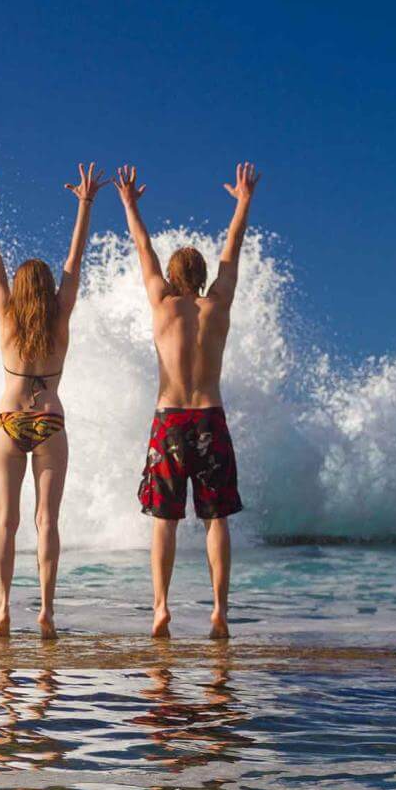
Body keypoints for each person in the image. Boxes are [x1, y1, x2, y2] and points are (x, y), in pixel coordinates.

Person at [0, 163, 108, 639]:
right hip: (51, 421)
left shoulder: (6, 316)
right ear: (47, 291)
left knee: (6, 522)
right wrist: (85, 204)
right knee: (48, 521)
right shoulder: (60, 317)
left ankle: (2, 609)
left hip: (8, 421)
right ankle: (46, 610)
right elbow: (75, 259)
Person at [114, 162, 260, 639]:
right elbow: (232, 252)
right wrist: (242, 203)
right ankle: (219, 611)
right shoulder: (217, 304)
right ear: (201, 277)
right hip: (209, 419)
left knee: (165, 521)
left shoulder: (162, 303)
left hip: (169, 420)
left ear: (174, 277)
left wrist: (131, 204)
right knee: (216, 521)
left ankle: (160, 608)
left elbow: (142, 248)